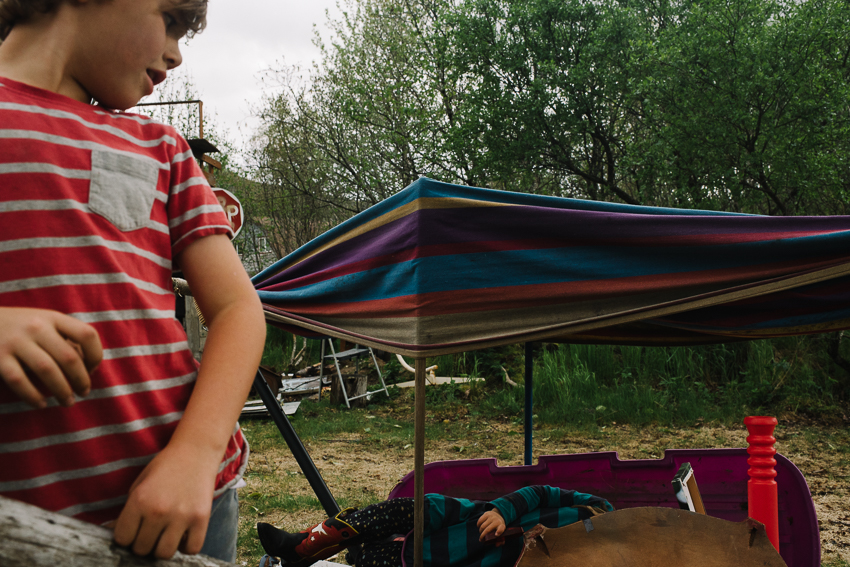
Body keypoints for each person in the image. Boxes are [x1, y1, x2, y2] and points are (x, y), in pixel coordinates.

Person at [0, 0, 266, 562]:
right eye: (169, 20)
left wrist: (195, 454)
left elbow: (239, 311)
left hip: (191, 503)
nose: (174, 54)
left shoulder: (163, 149)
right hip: (24, 520)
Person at [257, 485, 613, 567]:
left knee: (380, 558)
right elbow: (541, 491)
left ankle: (329, 558)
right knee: (394, 513)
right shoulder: (599, 511)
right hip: (467, 518)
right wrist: (504, 511)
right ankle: (303, 544)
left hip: (467, 560)